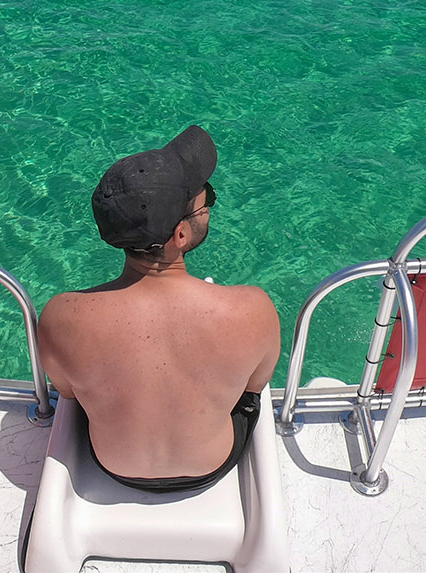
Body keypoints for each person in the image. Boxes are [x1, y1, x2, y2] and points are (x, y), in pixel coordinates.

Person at [38, 125, 281, 492]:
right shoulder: (252, 310)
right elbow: (252, 388)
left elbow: (69, 394)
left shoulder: (60, 318)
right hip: (211, 465)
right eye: (208, 199)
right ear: (180, 235)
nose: (209, 205)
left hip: (112, 466)